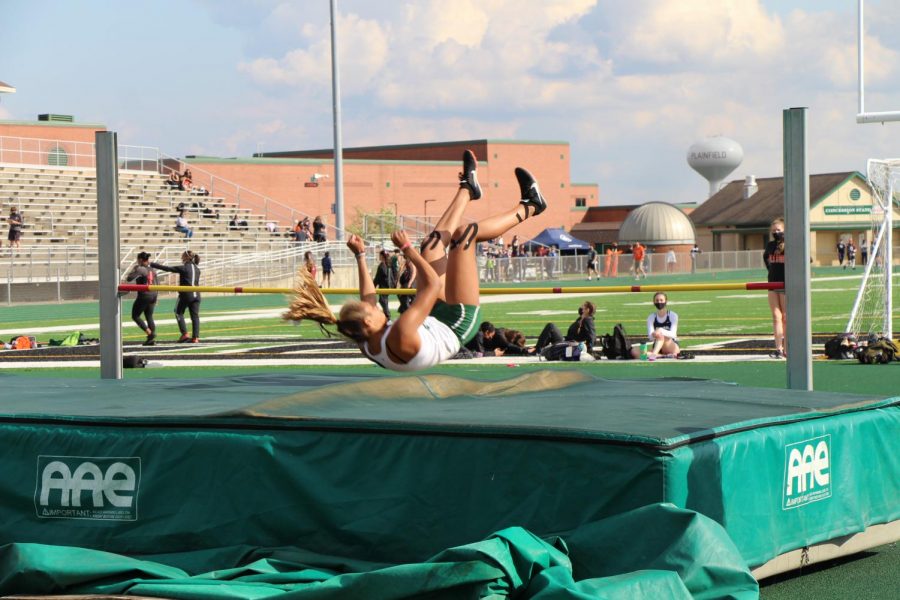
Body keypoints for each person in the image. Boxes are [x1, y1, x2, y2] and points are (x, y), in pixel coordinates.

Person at [283, 149, 548, 371]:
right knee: (464, 237)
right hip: (456, 325)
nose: (379, 310)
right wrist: (408, 250)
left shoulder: (365, 339)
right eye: (375, 312)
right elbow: (432, 286)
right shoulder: (398, 334)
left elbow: (368, 298)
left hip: (432, 321)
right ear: (367, 322)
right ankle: (531, 206)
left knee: (431, 246)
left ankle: (468, 189)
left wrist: (360, 256)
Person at [152, 251, 202, 343]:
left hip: (186, 294)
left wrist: (153, 264)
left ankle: (185, 334)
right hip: (197, 295)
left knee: (178, 312)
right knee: (195, 316)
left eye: (183, 256)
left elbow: (167, 268)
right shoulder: (197, 269)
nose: (181, 258)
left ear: (187, 257)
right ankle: (195, 337)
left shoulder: (184, 268)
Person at [630, 292, 680, 360]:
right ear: (654, 302)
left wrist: (660, 330)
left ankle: (653, 355)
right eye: (657, 300)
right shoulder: (651, 317)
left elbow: (673, 334)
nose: (659, 302)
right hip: (657, 345)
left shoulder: (673, 315)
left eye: (661, 300)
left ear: (666, 301)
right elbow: (650, 337)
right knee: (634, 351)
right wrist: (654, 334)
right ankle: (660, 356)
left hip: (671, 346)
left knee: (661, 335)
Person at [764, 218, 786, 359]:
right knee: (776, 317)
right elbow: (766, 259)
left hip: (786, 283)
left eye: (778, 230)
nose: (776, 232)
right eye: (773, 231)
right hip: (772, 282)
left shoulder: (791, 243)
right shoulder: (770, 245)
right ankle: (778, 348)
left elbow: (806, 259)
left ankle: (788, 348)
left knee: (785, 317)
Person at [125, 251, 158, 346]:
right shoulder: (152, 269)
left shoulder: (140, 269)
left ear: (140, 259)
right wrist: (156, 297)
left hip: (144, 295)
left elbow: (129, 278)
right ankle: (151, 339)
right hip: (153, 294)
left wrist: (134, 269)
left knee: (135, 316)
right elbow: (157, 283)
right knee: (149, 316)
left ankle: (150, 333)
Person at [373, 249, 396, 319]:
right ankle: (386, 315)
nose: (378, 256)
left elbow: (377, 277)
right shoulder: (388, 264)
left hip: (384, 286)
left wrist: (372, 286)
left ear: (382, 256)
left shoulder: (382, 265)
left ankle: (387, 316)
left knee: (383, 300)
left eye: (379, 255)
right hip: (388, 285)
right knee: (383, 300)